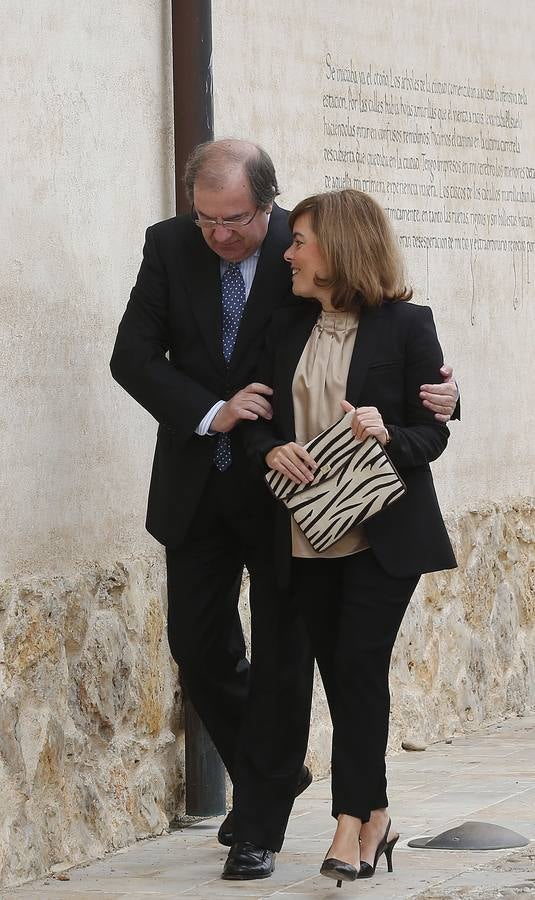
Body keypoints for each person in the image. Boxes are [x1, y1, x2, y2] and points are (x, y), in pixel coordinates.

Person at [110, 140, 458, 880]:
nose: (219, 235)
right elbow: (133, 357)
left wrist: (444, 397)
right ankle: (278, 774)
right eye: (204, 219)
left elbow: (384, 335)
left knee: (283, 663)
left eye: (233, 220)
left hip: (297, 503)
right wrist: (215, 411)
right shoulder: (169, 246)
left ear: (265, 207)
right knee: (196, 647)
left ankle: (263, 819)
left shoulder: (306, 241)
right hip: (203, 479)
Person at [240, 188, 457, 886]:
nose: (288, 252)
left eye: (300, 239)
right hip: (303, 534)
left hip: (381, 535)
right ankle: (376, 817)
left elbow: (433, 430)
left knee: (359, 668)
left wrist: (385, 431)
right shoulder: (282, 325)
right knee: (344, 678)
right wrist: (270, 448)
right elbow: (253, 418)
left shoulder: (407, 325)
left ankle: (345, 823)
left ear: (337, 247)